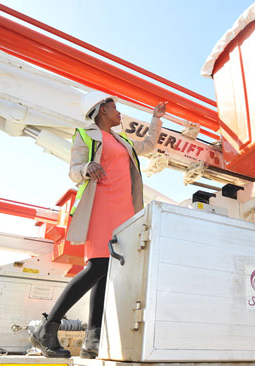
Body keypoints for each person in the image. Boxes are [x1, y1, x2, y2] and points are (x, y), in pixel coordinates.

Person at [30, 91, 166, 358]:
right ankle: (48, 328)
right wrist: (87, 167)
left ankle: (92, 341)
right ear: (102, 109)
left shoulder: (123, 139)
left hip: (124, 211)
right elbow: (74, 170)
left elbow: (149, 145)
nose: (120, 113)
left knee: (107, 273)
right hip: (100, 206)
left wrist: (155, 119)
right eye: (115, 108)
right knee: (98, 265)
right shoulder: (85, 134)